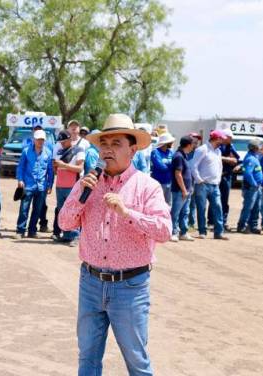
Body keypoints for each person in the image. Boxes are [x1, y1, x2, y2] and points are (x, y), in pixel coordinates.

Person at [58, 113, 171, 376]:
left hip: (130, 286)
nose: (108, 149)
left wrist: (128, 212)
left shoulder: (147, 187)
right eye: (104, 143)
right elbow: (64, 223)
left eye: (116, 143)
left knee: (136, 360)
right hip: (91, 282)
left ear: (132, 150)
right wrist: (80, 197)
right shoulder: (88, 183)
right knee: (87, 357)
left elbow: (165, 231)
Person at [190, 130, 229, 240]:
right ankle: (202, 232)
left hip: (214, 184)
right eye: (221, 138)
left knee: (218, 207)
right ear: (216, 138)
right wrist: (199, 180)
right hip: (202, 184)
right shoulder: (202, 149)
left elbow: (219, 166)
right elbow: (194, 166)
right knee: (201, 209)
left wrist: (218, 179)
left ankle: (219, 232)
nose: (223, 140)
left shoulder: (218, 151)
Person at [15, 129, 54, 238]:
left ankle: (32, 231)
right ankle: (20, 231)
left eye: (42, 139)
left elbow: (50, 171)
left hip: (42, 186)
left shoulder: (48, 153)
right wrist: (20, 180)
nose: (40, 141)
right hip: (28, 185)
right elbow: (21, 167)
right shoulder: (26, 151)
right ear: (34, 140)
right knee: (24, 209)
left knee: (37, 210)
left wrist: (50, 185)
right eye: (38, 139)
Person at [52, 130, 85, 246]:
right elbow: (56, 168)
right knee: (62, 211)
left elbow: (80, 168)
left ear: (70, 139)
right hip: (60, 185)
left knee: (73, 211)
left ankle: (75, 236)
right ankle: (66, 235)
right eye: (60, 142)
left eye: (64, 142)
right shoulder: (59, 151)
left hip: (73, 186)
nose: (62, 144)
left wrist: (63, 165)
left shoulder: (79, 150)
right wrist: (55, 166)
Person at [170, 136, 195, 242]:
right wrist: (184, 190)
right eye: (193, 144)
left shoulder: (184, 156)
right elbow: (178, 174)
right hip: (180, 190)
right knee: (176, 212)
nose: (194, 146)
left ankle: (183, 233)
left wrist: (189, 188)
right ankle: (173, 232)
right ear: (189, 145)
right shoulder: (178, 156)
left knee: (185, 212)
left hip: (186, 190)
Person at [236, 138, 263, 234]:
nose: (261, 147)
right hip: (252, 187)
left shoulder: (254, 156)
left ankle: (253, 226)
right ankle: (241, 226)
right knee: (248, 207)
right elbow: (247, 173)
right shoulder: (251, 158)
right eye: (259, 146)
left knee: (256, 207)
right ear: (255, 148)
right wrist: (254, 184)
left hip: (256, 187)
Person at [218, 129, 240, 230]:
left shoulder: (230, 146)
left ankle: (223, 221)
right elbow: (215, 156)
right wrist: (227, 159)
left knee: (224, 200)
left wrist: (234, 162)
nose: (231, 139)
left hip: (227, 175)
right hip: (218, 176)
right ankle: (212, 221)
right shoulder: (218, 145)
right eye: (230, 137)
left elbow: (237, 158)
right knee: (215, 199)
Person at [150, 132, 175, 205]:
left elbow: (176, 164)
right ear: (166, 143)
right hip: (159, 183)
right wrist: (171, 165)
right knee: (158, 204)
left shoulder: (171, 152)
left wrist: (168, 164)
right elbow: (161, 166)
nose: (172, 143)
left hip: (169, 183)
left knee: (168, 204)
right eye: (170, 142)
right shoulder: (155, 152)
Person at [187, 133, 203, 228]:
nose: (196, 143)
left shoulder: (198, 152)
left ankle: (191, 223)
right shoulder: (184, 152)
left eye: (197, 141)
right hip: (184, 180)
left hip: (195, 181)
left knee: (193, 203)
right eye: (194, 141)